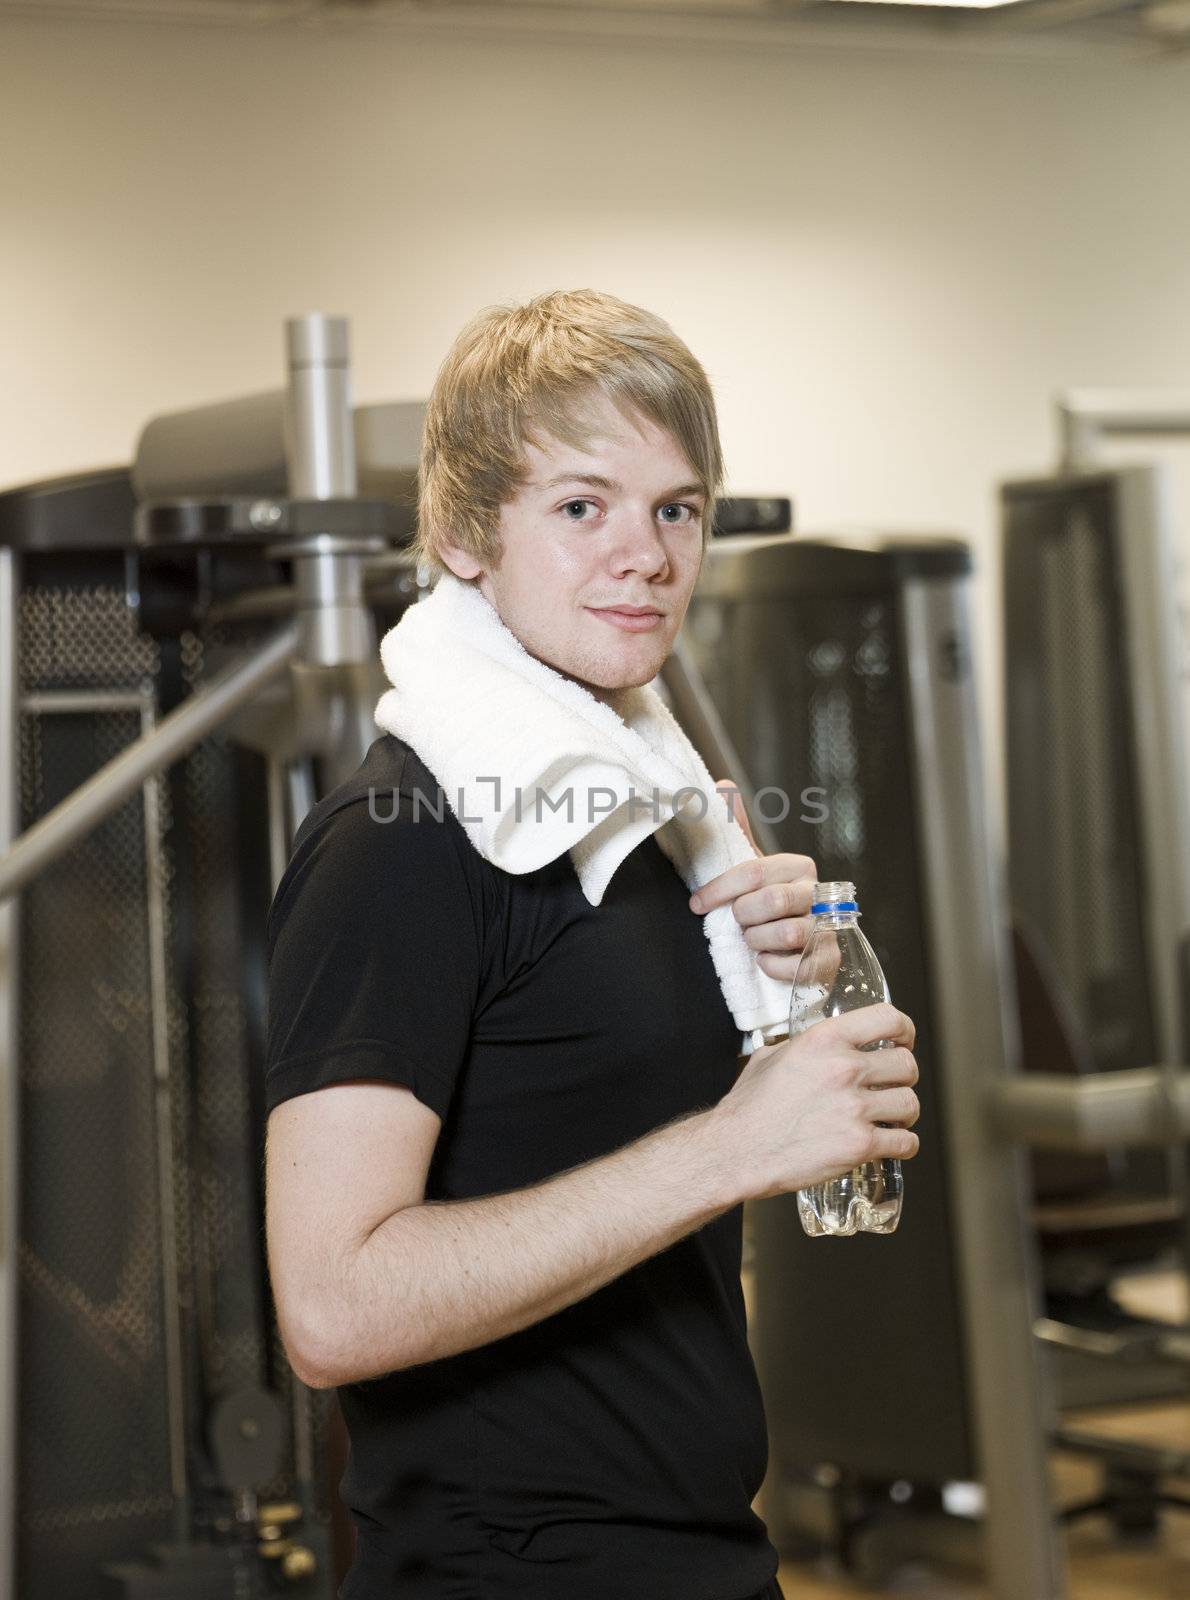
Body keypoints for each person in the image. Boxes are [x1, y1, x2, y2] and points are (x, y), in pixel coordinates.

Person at [263, 289, 921, 1600]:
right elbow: (332, 1310)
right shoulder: (400, 845)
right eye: (581, 506)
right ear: (462, 533)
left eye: (675, 508)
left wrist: (777, 992)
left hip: (697, 1549)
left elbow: (592, 1117)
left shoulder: (650, 820)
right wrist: (736, 1144)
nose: (645, 554)